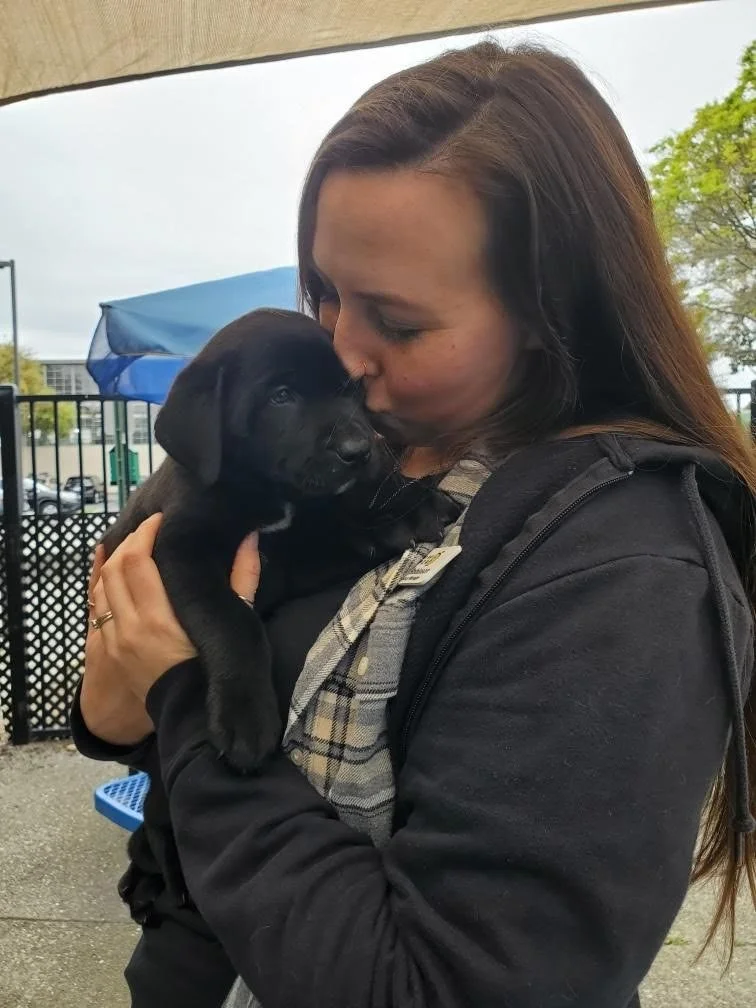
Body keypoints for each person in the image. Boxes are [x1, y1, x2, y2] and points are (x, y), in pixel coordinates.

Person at [72, 40, 756, 1008]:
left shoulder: (621, 575)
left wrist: (179, 699)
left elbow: (447, 984)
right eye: (323, 291)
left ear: (544, 314)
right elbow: (132, 693)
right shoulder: (376, 456)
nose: (340, 352)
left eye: (395, 322)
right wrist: (116, 704)